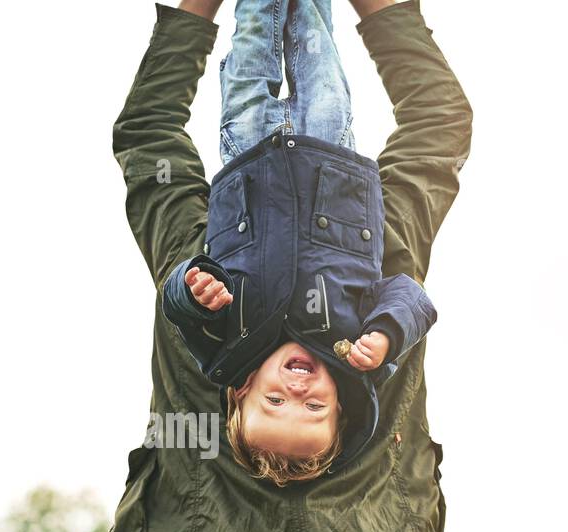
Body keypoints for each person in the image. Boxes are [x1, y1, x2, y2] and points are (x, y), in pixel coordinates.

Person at [106, 0, 472, 532]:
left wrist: (189, 18)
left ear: (231, 400)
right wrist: (384, 13)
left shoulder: (197, 292)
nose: (301, 385)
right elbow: (440, 125)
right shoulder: (384, 276)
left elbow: (151, 135)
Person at [159, 0, 439, 485]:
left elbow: (176, 304)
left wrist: (194, 289)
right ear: (339, 399)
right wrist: (388, 335)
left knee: (251, 49)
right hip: (332, 170)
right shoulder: (358, 350)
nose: (296, 386)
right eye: (313, 405)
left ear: (243, 389)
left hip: (248, 164)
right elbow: (410, 296)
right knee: (317, 49)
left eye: (274, 401)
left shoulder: (225, 349)